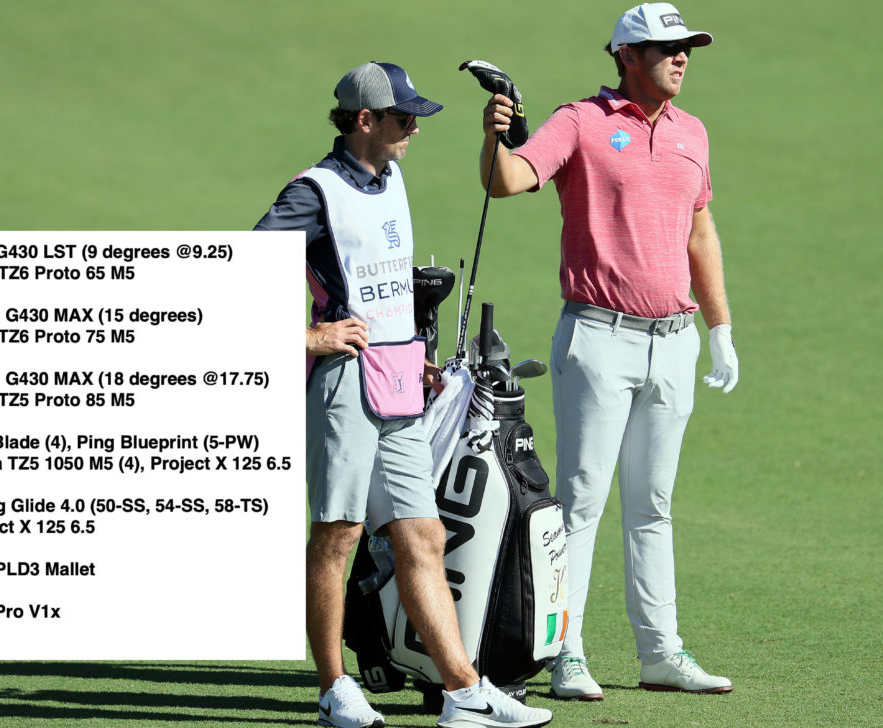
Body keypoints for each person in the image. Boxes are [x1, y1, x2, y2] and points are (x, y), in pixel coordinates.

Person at [256, 61, 553, 728]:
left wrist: (413, 354)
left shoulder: (392, 177)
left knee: (423, 535)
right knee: (338, 535)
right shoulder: (314, 193)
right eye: (401, 117)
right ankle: (335, 688)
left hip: (399, 385)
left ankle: (463, 691)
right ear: (365, 121)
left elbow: (386, 287)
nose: (413, 127)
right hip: (344, 387)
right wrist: (311, 335)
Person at [475, 3, 739, 700]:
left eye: (686, 48)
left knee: (653, 504)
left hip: (673, 343)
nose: (681, 58)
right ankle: (566, 653)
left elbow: (700, 234)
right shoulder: (581, 122)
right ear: (625, 55)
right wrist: (494, 137)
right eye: (664, 48)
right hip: (599, 339)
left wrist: (721, 329)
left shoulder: (693, 133)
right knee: (583, 501)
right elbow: (506, 181)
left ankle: (661, 652)